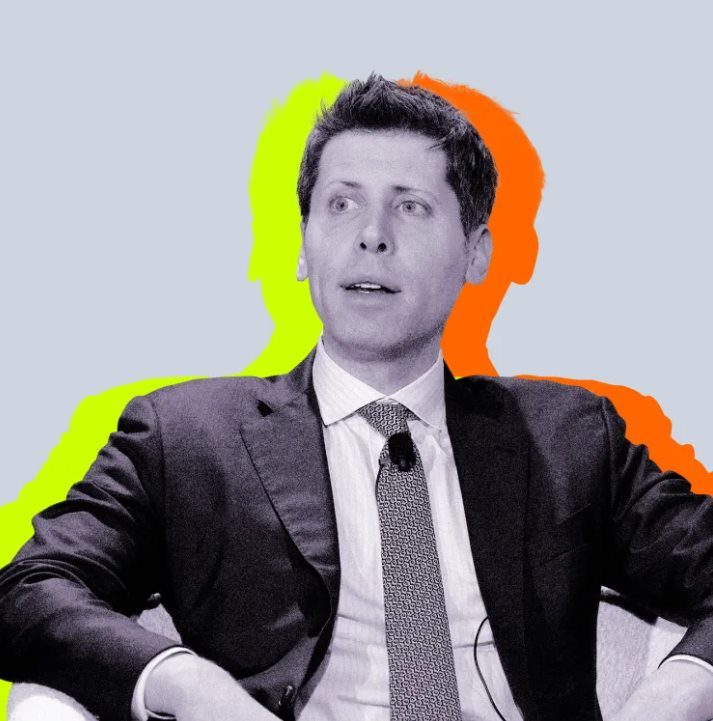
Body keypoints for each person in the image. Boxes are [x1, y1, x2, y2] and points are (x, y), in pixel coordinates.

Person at [1, 74, 713, 721]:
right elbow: (29, 589)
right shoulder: (185, 437)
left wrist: (677, 691)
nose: (372, 237)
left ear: (477, 253)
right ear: (303, 244)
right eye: (341, 205)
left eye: (411, 207)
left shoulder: (568, 437)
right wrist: (188, 683)